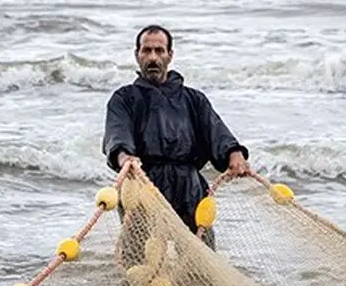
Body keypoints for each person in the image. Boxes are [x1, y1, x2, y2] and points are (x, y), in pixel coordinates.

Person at [102, 24, 252, 254]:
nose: (153, 57)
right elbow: (117, 134)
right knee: (140, 262)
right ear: (137, 55)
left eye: (159, 50)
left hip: (189, 187)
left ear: (170, 55)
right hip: (142, 185)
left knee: (200, 260)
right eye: (147, 50)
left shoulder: (194, 99)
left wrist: (234, 153)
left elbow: (217, 132)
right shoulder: (124, 98)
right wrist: (125, 158)